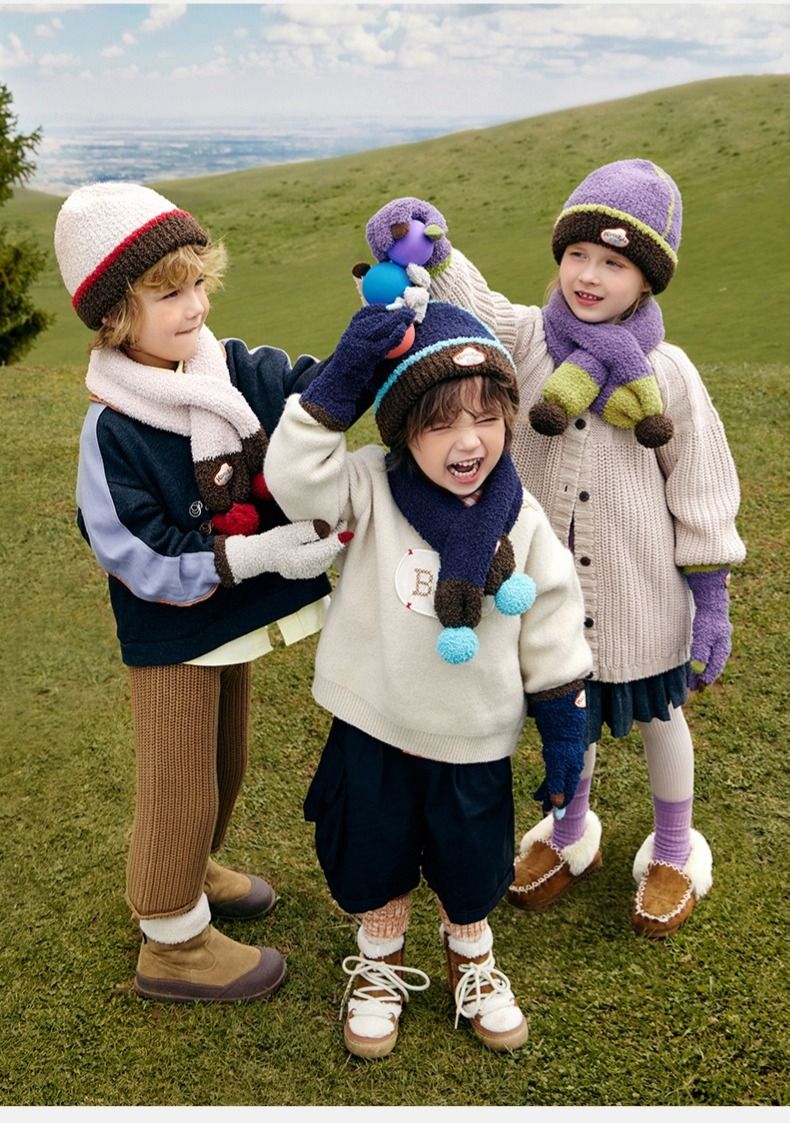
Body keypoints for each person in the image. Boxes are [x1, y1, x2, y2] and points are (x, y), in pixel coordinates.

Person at [365, 158, 746, 938]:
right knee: (565, 708)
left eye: (614, 262)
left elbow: (700, 482)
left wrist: (710, 598)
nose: (589, 275)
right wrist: (428, 245)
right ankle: (571, 835)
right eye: (578, 255)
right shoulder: (532, 338)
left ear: (647, 281)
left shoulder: (667, 375)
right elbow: (471, 302)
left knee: (660, 718)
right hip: (542, 593)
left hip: (643, 598)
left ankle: (675, 848)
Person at [264, 293, 592, 1058]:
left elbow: (550, 620)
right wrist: (340, 380)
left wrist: (564, 723)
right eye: (439, 422)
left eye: (484, 415)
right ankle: (380, 959)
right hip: (376, 718)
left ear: (508, 416)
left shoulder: (523, 518)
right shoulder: (371, 487)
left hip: (473, 734)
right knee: (373, 845)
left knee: (471, 858)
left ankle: (470, 951)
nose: (466, 440)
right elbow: (294, 479)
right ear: (403, 432)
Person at [54, 181, 348, 1003]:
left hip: (229, 624)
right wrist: (252, 555)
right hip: (175, 632)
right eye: (166, 291)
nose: (193, 306)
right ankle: (170, 937)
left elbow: (312, 393)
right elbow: (136, 556)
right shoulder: (113, 428)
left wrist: (374, 351)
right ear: (114, 312)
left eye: (198, 283)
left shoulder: (226, 370)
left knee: (225, 760)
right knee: (179, 780)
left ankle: (195, 869)